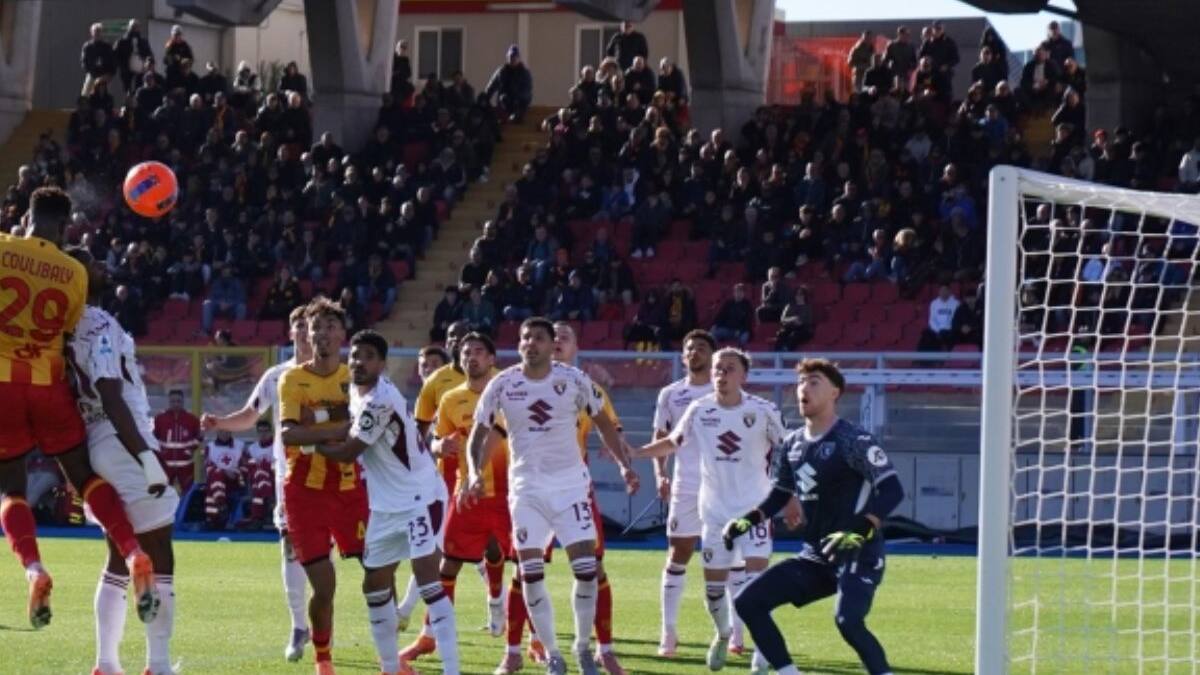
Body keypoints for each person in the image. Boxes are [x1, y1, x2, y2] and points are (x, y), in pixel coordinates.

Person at [1, 187, 158, 630]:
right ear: (65, 224)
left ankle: (33, 568)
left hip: (2, 386)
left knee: (10, 489)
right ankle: (132, 551)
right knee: (84, 478)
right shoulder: (74, 273)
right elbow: (69, 331)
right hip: (49, 385)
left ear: (24, 215)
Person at [463, 318, 635, 675]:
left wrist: (624, 466)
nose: (530, 343)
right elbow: (477, 435)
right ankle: (553, 655)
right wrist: (474, 472)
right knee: (530, 573)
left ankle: (584, 647)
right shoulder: (503, 384)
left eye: (538, 338)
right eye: (525, 337)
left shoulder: (573, 380)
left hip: (571, 487)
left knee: (586, 571)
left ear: (549, 343)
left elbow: (603, 422)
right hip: (526, 490)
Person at [728, 359, 904, 675]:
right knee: (747, 602)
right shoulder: (791, 445)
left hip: (857, 552)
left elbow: (892, 490)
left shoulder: (854, 440)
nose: (803, 389)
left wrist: (860, 530)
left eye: (814, 382)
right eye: (801, 383)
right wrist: (749, 519)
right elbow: (781, 494)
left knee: (848, 621)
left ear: (835, 392)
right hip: (815, 556)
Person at [312, 329, 460, 675]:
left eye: (368, 357)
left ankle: (452, 669)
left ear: (382, 363)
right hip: (385, 507)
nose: (359, 362)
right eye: (355, 355)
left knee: (427, 577)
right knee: (374, 583)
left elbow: (349, 453)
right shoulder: (354, 392)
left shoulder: (381, 399)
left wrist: (306, 441)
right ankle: (392, 669)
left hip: (420, 497)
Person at [634, 348, 786, 672]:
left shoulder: (763, 410)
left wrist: (790, 496)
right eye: (718, 369)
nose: (721, 374)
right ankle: (722, 633)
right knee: (714, 590)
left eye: (729, 369)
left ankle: (762, 649)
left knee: (756, 580)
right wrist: (637, 453)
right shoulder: (699, 409)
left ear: (744, 376)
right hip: (715, 513)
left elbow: (787, 451)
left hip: (754, 511)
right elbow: (673, 442)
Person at [65, 248, 177, 675]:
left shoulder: (58, 329)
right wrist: (146, 457)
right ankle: (159, 665)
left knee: (118, 555)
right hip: (120, 437)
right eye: (92, 263)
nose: (102, 266)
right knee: (159, 552)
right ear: (77, 277)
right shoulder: (97, 322)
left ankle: (107, 664)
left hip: (92, 442)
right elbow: (111, 394)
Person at [200, 306, 314, 662]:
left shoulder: (340, 376)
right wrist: (219, 422)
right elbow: (251, 415)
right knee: (290, 547)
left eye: (310, 326)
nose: (305, 332)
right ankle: (299, 626)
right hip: (290, 475)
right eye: (298, 326)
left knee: (329, 556)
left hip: (334, 475)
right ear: (291, 332)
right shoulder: (276, 376)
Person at [277, 298, 369, 674]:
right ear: (308, 335)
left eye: (331, 327)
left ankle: (390, 657)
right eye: (317, 328)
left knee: (378, 571)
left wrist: (315, 428)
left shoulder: (357, 377)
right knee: (324, 587)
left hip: (350, 490)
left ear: (342, 335)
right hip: (304, 492)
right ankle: (323, 659)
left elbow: (367, 430)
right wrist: (336, 429)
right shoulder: (292, 379)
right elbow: (288, 434)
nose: (323, 334)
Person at [418, 334, 512, 670]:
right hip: (466, 493)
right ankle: (435, 634)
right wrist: (438, 446)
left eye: (478, 352)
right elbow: (434, 439)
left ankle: (501, 605)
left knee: (507, 558)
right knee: (448, 565)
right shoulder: (450, 399)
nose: (470, 357)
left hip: (506, 492)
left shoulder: (506, 390)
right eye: (465, 352)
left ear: (491, 358)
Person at [651, 330, 717, 657]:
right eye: (689, 348)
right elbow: (661, 435)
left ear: (712, 355)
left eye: (701, 348)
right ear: (682, 356)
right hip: (686, 485)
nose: (694, 352)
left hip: (723, 488)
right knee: (679, 554)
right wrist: (660, 473)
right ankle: (669, 631)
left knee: (728, 557)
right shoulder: (670, 394)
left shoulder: (726, 394)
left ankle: (732, 632)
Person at [153, 389, 202, 491]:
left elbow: (199, 438)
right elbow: (154, 438)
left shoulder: (192, 419)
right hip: (165, 465)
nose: (176, 404)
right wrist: (160, 455)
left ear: (183, 402)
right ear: (169, 402)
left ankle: (186, 507)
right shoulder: (160, 418)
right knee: (164, 493)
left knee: (188, 494)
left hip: (186, 465)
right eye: (173, 401)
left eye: (178, 401)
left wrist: (189, 450)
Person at [203, 429, 242, 529]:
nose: (224, 434)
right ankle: (220, 506)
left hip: (233, 480)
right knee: (216, 475)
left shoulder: (239, 446)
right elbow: (208, 467)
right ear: (217, 432)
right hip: (217, 480)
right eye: (221, 431)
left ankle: (213, 518)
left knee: (212, 485)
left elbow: (244, 466)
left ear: (231, 432)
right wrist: (224, 471)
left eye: (227, 431)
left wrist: (236, 474)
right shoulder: (210, 447)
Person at [240, 420, 276, 527]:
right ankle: (268, 503)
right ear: (257, 433)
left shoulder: (277, 447)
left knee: (260, 476)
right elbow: (250, 468)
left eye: (266, 431)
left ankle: (257, 517)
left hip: (275, 480)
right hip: (258, 482)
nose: (263, 434)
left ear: (271, 432)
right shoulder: (252, 449)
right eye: (260, 431)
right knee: (258, 477)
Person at [485, 45, 533, 123]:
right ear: (508, 57)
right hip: (505, 101)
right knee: (503, 98)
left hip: (519, 102)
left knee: (525, 98)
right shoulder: (501, 72)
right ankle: (506, 116)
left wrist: (516, 98)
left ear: (518, 58)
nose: (513, 59)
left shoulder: (524, 73)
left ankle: (517, 116)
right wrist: (485, 99)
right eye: (511, 57)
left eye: (515, 57)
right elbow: (491, 86)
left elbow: (528, 90)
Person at [919, 284, 960, 351]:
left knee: (950, 336)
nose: (943, 292)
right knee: (925, 335)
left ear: (949, 291)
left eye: (945, 290)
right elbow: (932, 320)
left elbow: (957, 319)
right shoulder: (934, 303)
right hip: (937, 330)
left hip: (950, 330)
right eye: (941, 290)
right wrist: (938, 330)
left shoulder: (956, 303)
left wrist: (947, 329)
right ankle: (921, 359)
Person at [81, 23, 117, 97]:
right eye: (95, 31)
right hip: (92, 74)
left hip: (105, 74)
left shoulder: (107, 46)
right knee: (85, 94)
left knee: (105, 94)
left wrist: (110, 74)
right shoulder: (88, 46)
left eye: (99, 31)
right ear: (91, 33)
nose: (97, 33)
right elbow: (84, 61)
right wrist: (90, 71)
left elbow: (113, 60)